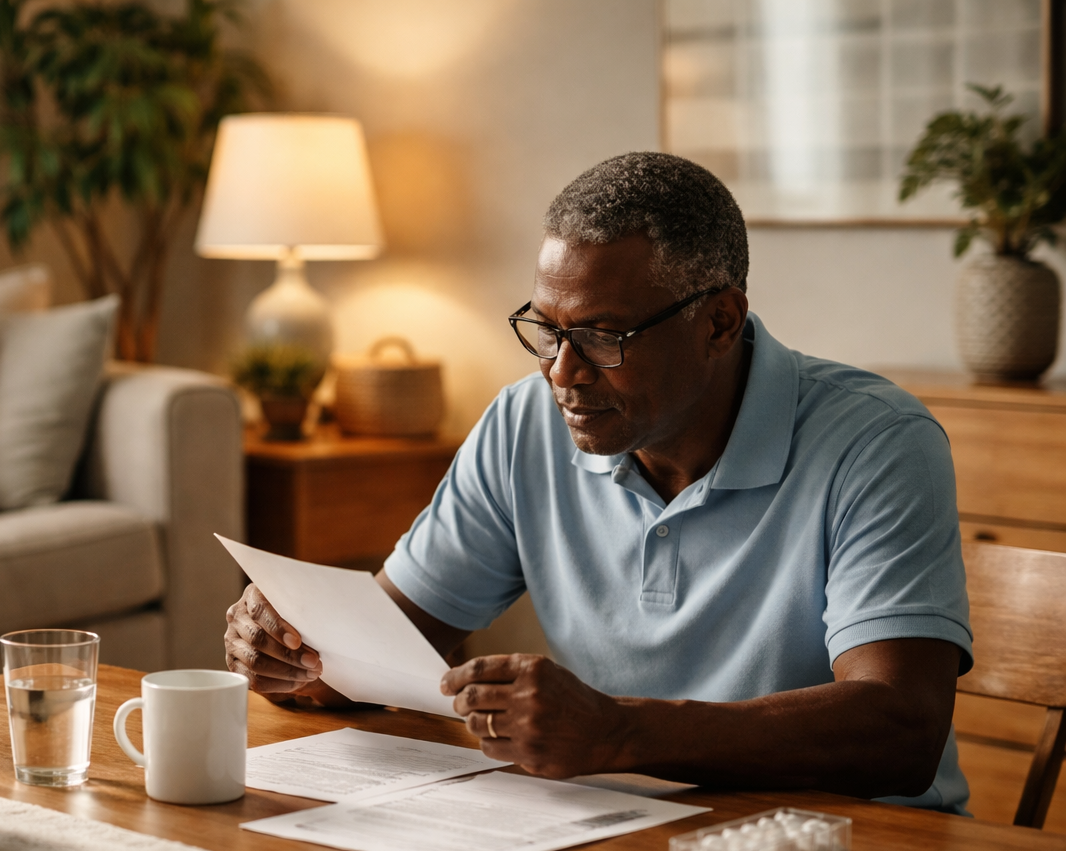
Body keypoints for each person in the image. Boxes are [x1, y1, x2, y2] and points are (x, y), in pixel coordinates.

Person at [225, 152, 972, 812]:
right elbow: (388, 650)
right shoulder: (525, 423)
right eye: (547, 330)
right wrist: (297, 655)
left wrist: (622, 731)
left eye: (602, 337)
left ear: (719, 322)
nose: (561, 373)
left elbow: (899, 728)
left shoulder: (876, 442)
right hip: (620, 828)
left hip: (855, 850)